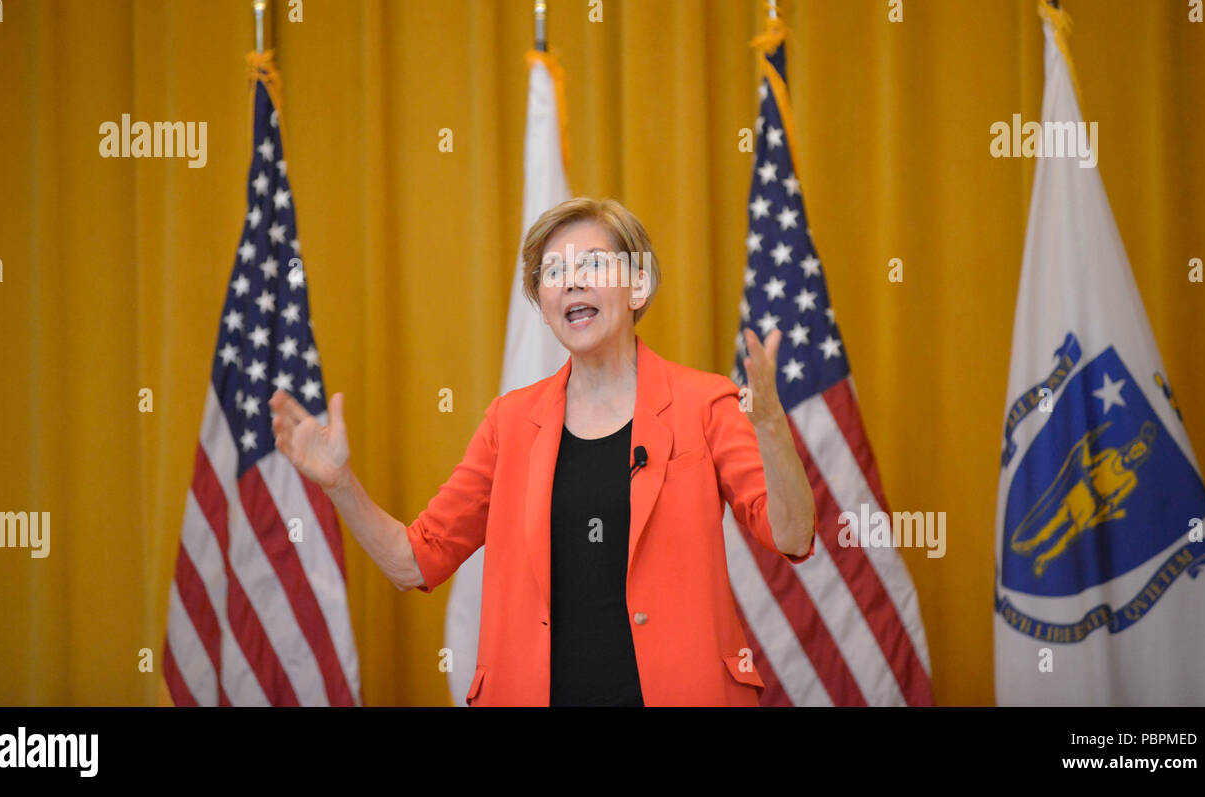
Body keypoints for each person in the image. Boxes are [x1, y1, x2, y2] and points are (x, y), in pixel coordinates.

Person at [271, 196, 816, 706]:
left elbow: (791, 533)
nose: (571, 283)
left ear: (638, 286)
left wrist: (771, 429)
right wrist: (339, 483)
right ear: (543, 302)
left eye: (594, 265)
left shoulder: (704, 402)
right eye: (553, 273)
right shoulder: (510, 423)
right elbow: (413, 562)